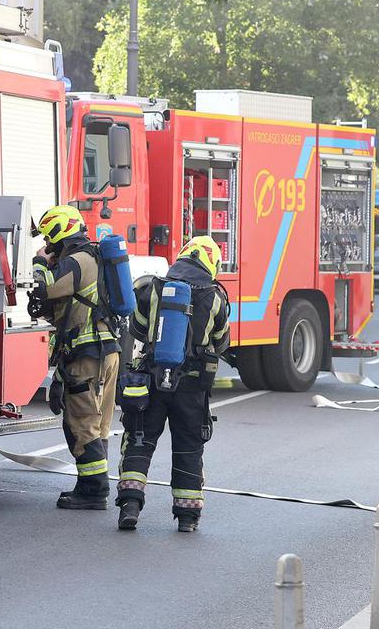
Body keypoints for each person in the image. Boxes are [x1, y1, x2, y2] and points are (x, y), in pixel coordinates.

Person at [115, 236, 230, 533]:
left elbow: (137, 328)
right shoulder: (215, 298)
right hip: (192, 388)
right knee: (188, 448)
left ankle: (130, 505)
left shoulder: (154, 287)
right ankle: (187, 518)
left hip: (152, 381)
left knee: (139, 440)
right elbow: (221, 342)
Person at [30, 205, 121, 510]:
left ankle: (93, 491)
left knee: (82, 424)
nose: (47, 245)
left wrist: (38, 262)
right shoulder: (93, 257)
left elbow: (45, 289)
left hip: (87, 355)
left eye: (48, 238)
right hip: (106, 352)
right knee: (98, 425)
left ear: (59, 233)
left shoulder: (76, 260)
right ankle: (91, 484)